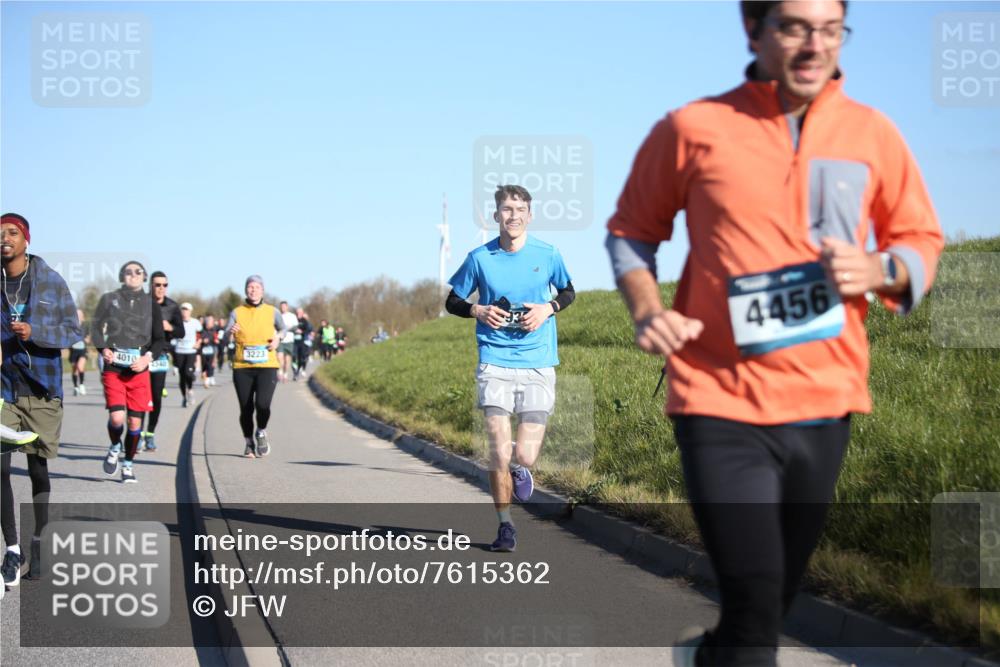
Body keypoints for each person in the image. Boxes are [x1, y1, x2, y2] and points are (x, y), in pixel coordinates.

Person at [605, 3, 944, 664]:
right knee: (758, 611)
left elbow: (921, 238)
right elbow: (630, 231)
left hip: (825, 398)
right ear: (753, 29)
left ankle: (708, 656)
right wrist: (647, 310)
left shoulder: (873, 134)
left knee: (767, 603)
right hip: (717, 397)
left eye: (830, 29)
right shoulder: (693, 128)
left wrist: (882, 267)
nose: (815, 46)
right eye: (794, 27)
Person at [445, 185, 575, 552]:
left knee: (525, 455)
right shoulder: (479, 258)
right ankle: (505, 527)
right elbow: (452, 299)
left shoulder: (548, 255)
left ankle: (521, 468)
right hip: (495, 362)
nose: (513, 215)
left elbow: (568, 292)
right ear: (496, 215)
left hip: (538, 365)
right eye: (506, 209)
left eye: (520, 209)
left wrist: (548, 309)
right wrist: (478, 310)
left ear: (529, 216)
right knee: (498, 450)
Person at [0, 212, 82, 585]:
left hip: (42, 390)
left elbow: (72, 332)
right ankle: (12, 549)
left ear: (26, 240)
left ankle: (39, 542)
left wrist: (35, 331)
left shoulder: (49, 281)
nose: (5, 239)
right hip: (4, 387)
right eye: (1, 234)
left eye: (12, 233)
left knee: (37, 470)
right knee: (0, 467)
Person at [92, 261, 165, 484]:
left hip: (139, 370)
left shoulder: (151, 304)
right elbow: (95, 328)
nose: (132, 275)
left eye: (137, 272)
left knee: (134, 424)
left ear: (144, 278)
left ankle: (128, 465)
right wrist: (103, 348)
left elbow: (159, 339)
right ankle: (115, 445)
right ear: (122, 276)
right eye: (128, 272)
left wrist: (146, 358)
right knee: (117, 417)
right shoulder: (109, 299)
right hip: (114, 368)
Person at [226, 275, 286, 458]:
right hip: (242, 366)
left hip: (267, 364)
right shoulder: (237, 312)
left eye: (257, 287)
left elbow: (283, 329)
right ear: (246, 290)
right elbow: (225, 336)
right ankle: (248, 443)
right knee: (246, 408)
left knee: (263, 404)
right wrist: (230, 332)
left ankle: (260, 431)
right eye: (250, 287)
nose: (253, 290)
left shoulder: (272, 311)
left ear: (262, 290)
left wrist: (278, 339)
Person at [140, 270, 184, 452]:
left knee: (156, 398)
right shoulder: (142, 304)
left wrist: (170, 327)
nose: (161, 288)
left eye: (164, 285)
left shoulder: (172, 307)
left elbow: (181, 332)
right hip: (141, 355)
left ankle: (150, 433)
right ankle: (137, 434)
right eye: (157, 285)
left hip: (160, 356)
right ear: (151, 285)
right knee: (141, 397)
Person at [173, 302, 201, 407]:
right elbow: (172, 334)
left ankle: (190, 390)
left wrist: (198, 343)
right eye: (183, 309)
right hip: (179, 351)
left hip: (190, 351)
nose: (184, 312)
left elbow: (200, 334)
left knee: (188, 373)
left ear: (190, 311)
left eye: (186, 310)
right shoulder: (177, 322)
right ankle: (184, 397)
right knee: (182, 376)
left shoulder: (195, 322)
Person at [69, 309, 89, 395]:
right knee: (74, 370)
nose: (78, 316)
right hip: (73, 351)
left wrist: (83, 338)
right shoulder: (71, 326)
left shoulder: (85, 326)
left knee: (80, 367)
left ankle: (81, 385)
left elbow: (88, 340)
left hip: (82, 350)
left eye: (80, 314)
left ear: (82, 316)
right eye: (76, 314)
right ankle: (75, 387)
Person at [277, 301, 298, 382]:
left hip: (289, 340)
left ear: (287, 307)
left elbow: (296, 327)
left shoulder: (292, 316)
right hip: (280, 340)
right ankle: (280, 372)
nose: (282, 308)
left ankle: (285, 374)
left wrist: (288, 328)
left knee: (287, 360)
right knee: (279, 358)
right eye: (281, 307)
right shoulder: (278, 315)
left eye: (284, 306)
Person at [292, 307, 313, 380]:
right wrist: (294, 330)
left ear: (302, 313)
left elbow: (308, 330)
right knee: (294, 356)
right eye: (297, 312)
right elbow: (289, 327)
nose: (298, 314)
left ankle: (298, 371)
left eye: (300, 312)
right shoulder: (293, 319)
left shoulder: (305, 321)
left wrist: (302, 332)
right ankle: (295, 372)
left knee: (301, 358)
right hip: (293, 341)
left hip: (302, 341)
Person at [200, 314, 219, 387]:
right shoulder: (202, 329)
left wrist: (215, 340)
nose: (209, 323)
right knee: (204, 365)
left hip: (212, 350)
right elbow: (199, 337)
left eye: (210, 321)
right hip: (203, 350)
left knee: (210, 365)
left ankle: (208, 379)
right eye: (207, 321)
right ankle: (206, 376)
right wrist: (202, 340)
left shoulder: (214, 330)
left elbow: (216, 339)